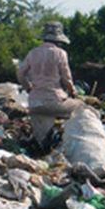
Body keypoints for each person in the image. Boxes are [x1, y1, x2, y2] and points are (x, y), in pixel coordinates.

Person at [18, 21, 79, 149]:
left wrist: (29, 88)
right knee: (82, 108)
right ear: (59, 40)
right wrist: (73, 92)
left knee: (41, 143)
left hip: (34, 103)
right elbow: (67, 78)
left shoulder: (32, 53)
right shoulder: (60, 53)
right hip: (54, 102)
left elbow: (21, 73)